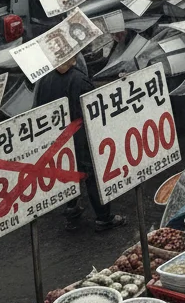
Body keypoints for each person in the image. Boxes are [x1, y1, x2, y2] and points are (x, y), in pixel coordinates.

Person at [36, 58, 128, 232]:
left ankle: (70, 207)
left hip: (56, 138)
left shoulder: (44, 80)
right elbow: (94, 107)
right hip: (80, 137)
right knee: (91, 175)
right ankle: (104, 217)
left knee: (66, 170)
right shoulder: (79, 79)